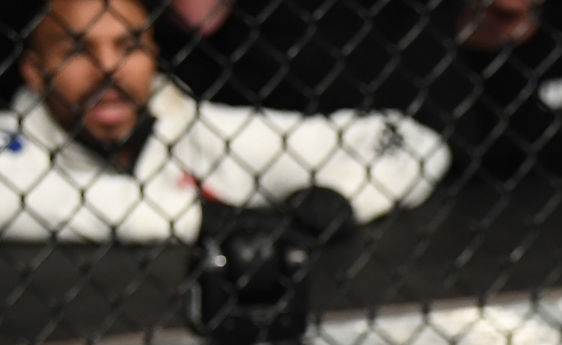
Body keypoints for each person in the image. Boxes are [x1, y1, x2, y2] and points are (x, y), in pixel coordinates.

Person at [2, 0, 448, 242]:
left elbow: (411, 142)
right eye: (77, 50)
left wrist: (342, 196)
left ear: (154, 57)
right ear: (35, 71)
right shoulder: (11, 141)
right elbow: (24, 200)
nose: (108, 70)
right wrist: (208, 219)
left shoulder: (194, 129)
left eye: (129, 46)